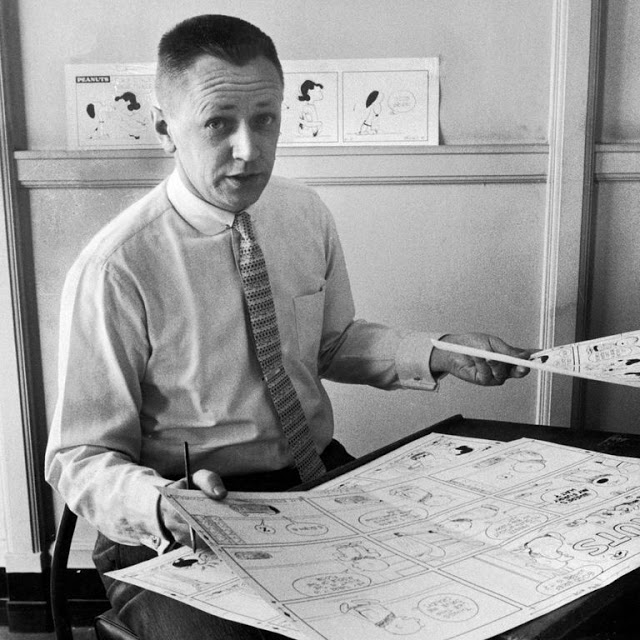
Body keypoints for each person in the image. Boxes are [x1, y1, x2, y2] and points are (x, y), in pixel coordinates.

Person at [45, 14, 531, 639]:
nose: (249, 149)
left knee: (456, 595)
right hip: (185, 514)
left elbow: (330, 343)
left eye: (266, 119)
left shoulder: (304, 213)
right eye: (218, 123)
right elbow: (80, 456)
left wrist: (440, 351)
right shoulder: (116, 267)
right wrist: (160, 506)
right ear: (165, 127)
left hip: (314, 479)